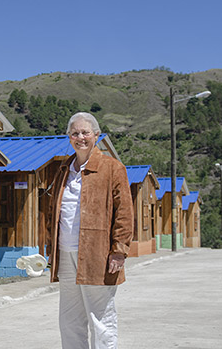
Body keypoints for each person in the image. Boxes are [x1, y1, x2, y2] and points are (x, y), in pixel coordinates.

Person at [46, 112, 134, 349]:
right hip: (65, 254)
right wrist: (50, 248)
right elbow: (54, 212)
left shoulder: (112, 168)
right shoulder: (63, 169)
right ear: (69, 137)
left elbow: (124, 213)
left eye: (85, 132)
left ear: (96, 135)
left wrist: (119, 250)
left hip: (98, 255)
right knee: (69, 319)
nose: (80, 137)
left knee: (101, 318)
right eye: (75, 133)